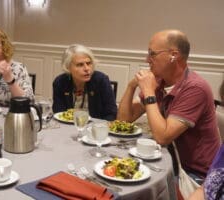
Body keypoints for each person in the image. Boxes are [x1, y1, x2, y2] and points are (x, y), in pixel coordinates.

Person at [117, 29, 221, 182]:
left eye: (152, 54)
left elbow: (162, 137)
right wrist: (131, 87)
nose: (147, 59)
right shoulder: (159, 82)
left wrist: (148, 91)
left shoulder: (195, 88)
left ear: (174, 55)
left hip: (195, 175)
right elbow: (123, 121)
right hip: (167, 160)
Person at [52, 44, 117, 121]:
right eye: (80, 65)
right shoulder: (60, 82)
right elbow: (59, 113)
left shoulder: (101, 81)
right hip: (67, 128)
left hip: (94, 129)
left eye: (89, 63)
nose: (87, 68)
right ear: (68, 67)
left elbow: (111, 114)